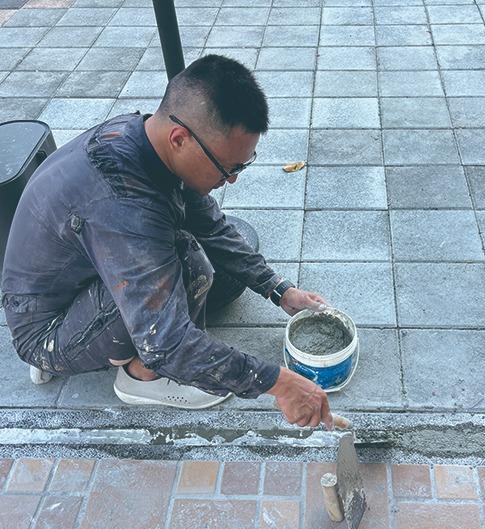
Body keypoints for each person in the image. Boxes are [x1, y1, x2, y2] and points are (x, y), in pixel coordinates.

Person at [1, 54, 332, 429]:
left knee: (192, 251)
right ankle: (142, 377)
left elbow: (214, 228)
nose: (233, 179)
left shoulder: (149, 142)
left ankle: (125, 352)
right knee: (189, 265)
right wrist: (280, 384)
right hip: (46, 330)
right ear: (180, 138)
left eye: (244, 164)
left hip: (84, 275)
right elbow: (169, 341)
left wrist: (280, 291)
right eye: (229, 168)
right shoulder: (122, 203)